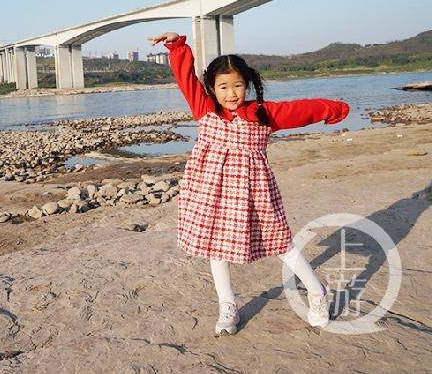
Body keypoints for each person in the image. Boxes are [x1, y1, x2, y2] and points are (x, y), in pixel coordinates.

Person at [149, 32, 350, 336]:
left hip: (254, 190)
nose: (231, 93)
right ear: (212, 89)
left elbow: (303, 109)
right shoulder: (204, 108)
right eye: (223, 87)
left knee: (281, 243)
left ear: (248, 84)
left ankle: (317, 292)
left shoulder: (262, 113)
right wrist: (177, 47)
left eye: (238, 85)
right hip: (210, 189)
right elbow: (184, 76)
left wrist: (334, 109)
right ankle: (227, 306)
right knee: (215, 249)